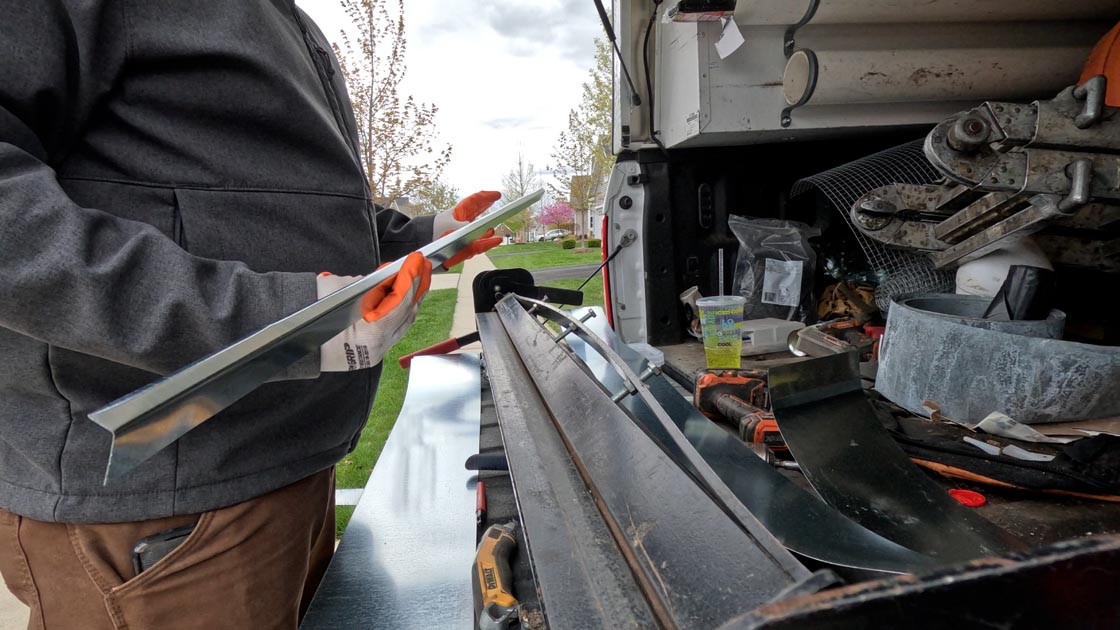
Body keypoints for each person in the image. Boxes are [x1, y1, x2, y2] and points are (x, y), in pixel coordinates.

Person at [0, 2, 501, 628]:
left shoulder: (286, 19)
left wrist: (427, 235)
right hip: (165, 506)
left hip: (290, 464)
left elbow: (280, 211)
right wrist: (280, 322)